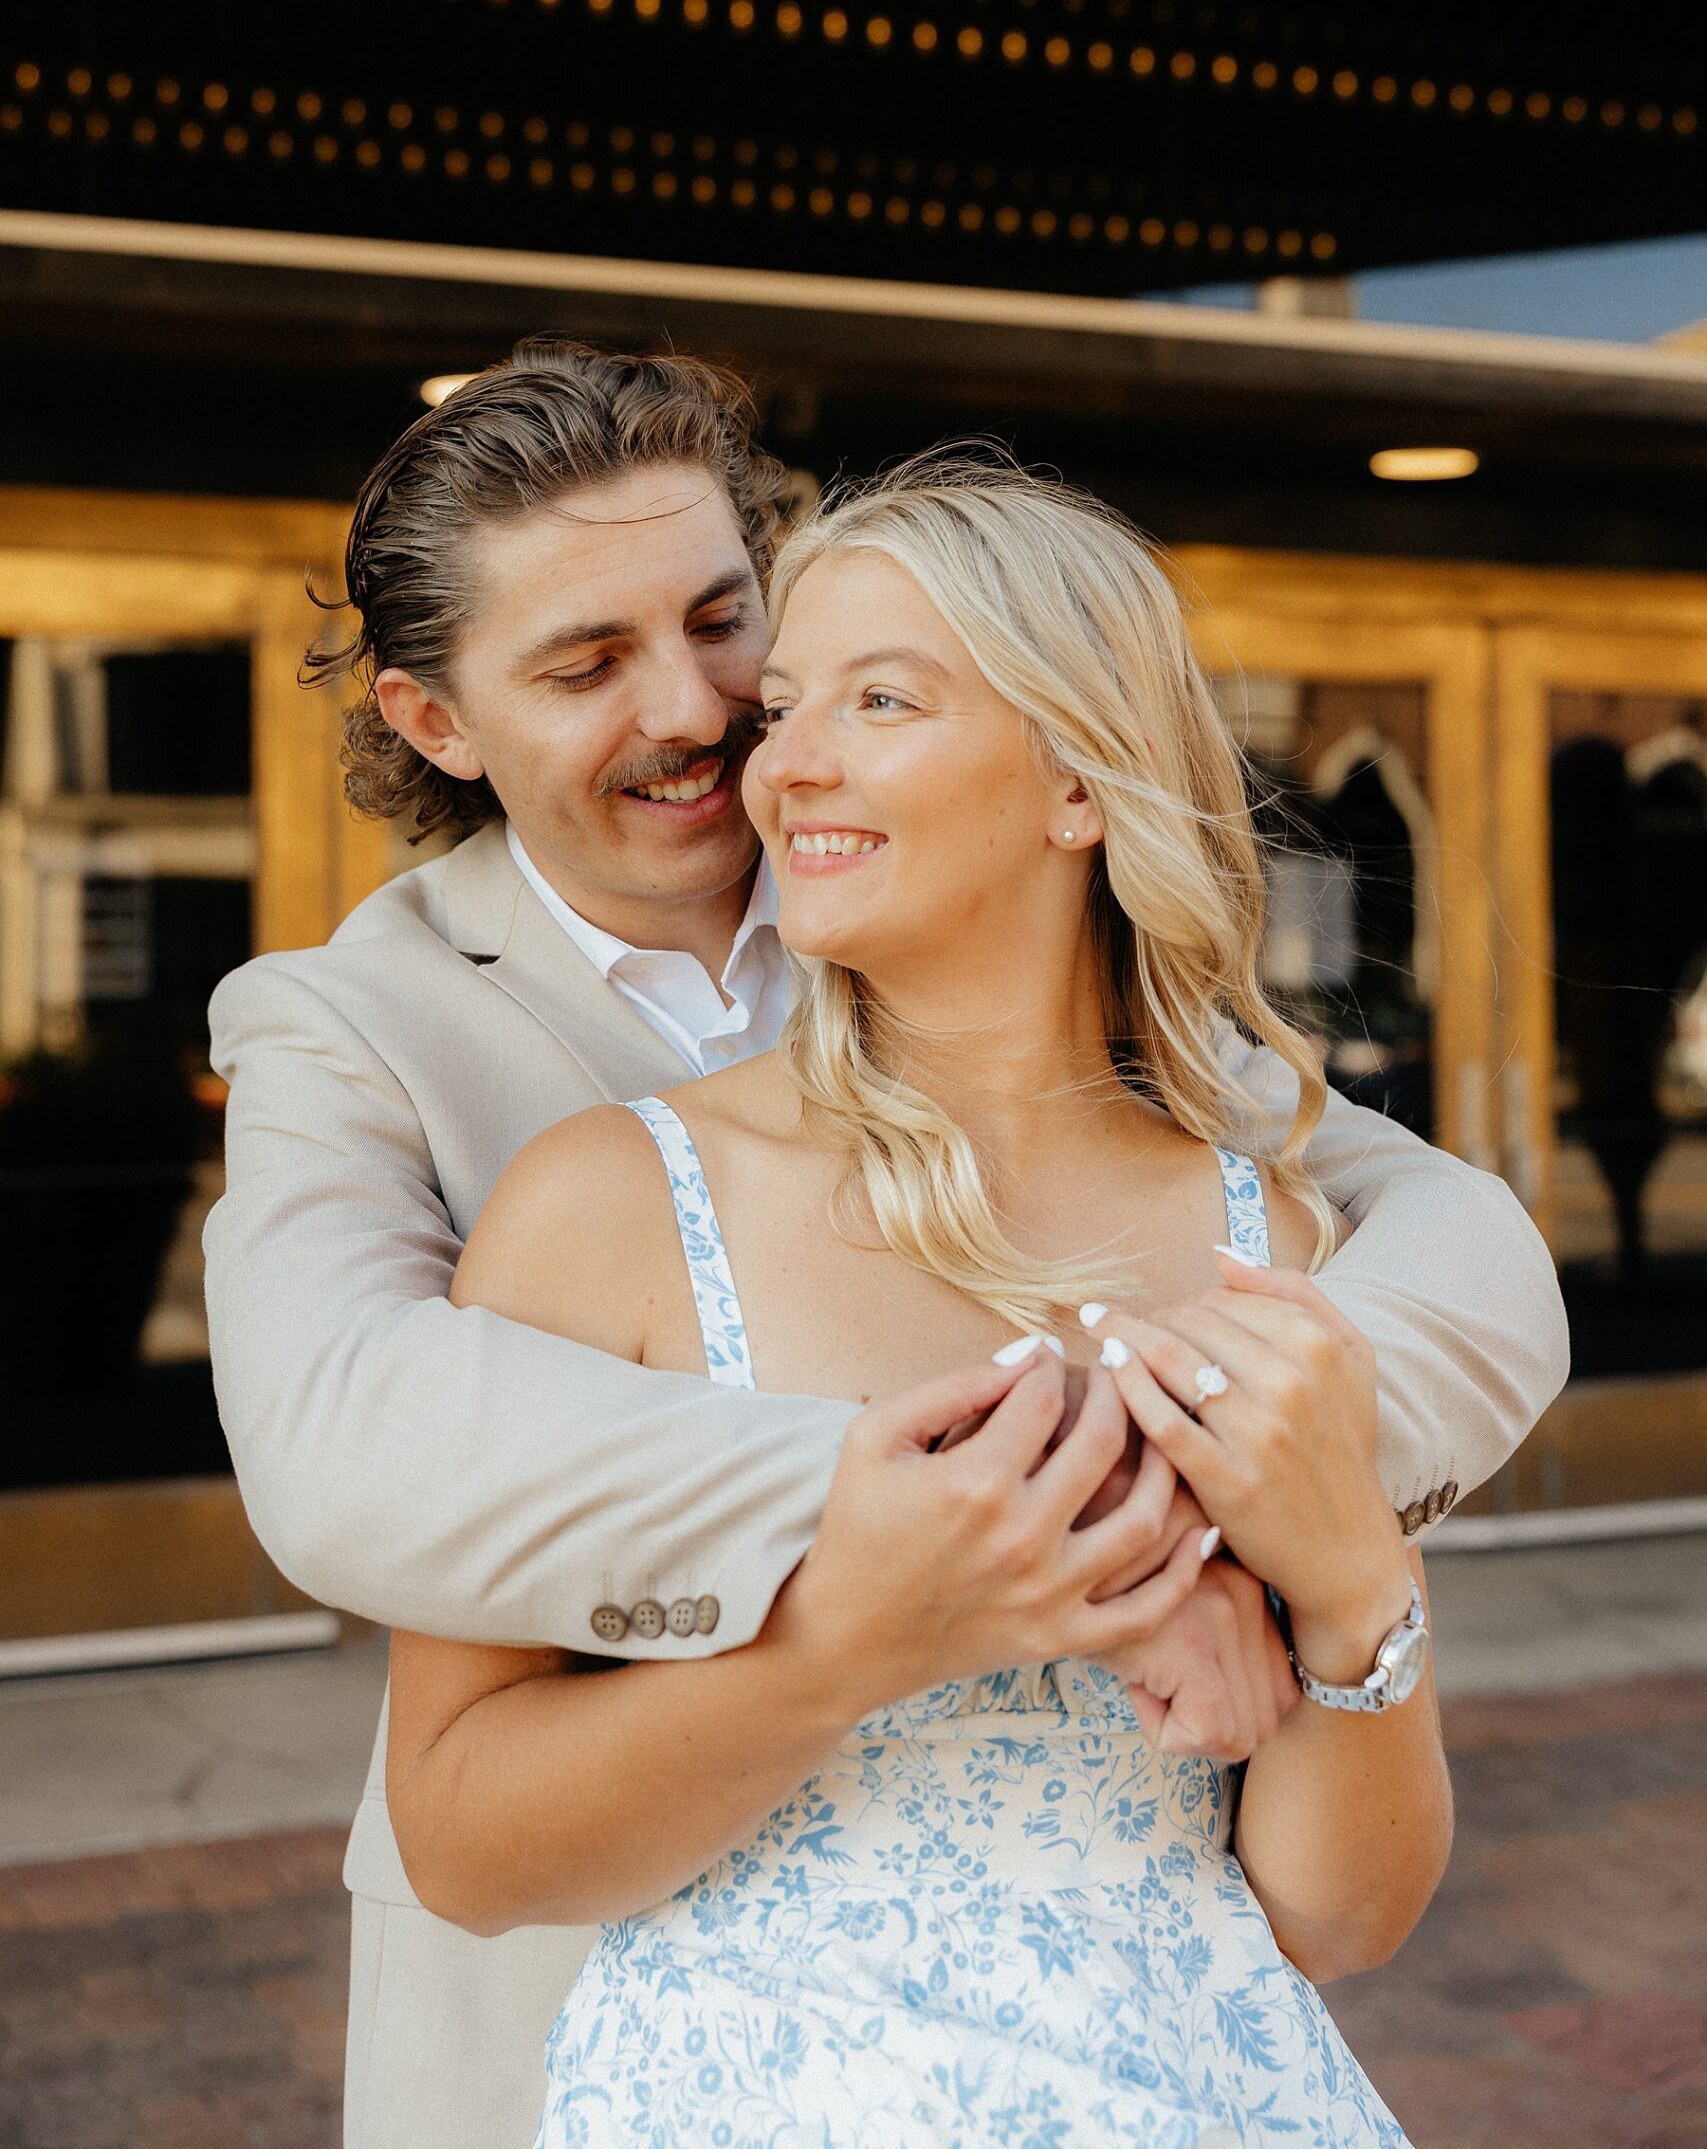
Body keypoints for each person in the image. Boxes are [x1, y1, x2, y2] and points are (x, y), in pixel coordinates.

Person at [204, 341, 1566, 2149]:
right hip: (603, 2015)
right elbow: (343, 1439)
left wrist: (1309, 1567)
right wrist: (1028, 1524)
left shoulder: (1145, 1078)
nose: (711, 714)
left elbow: (1442, 1229)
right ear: (438, 723)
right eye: (586, 664)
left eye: (721, 623)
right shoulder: (366, 1039)